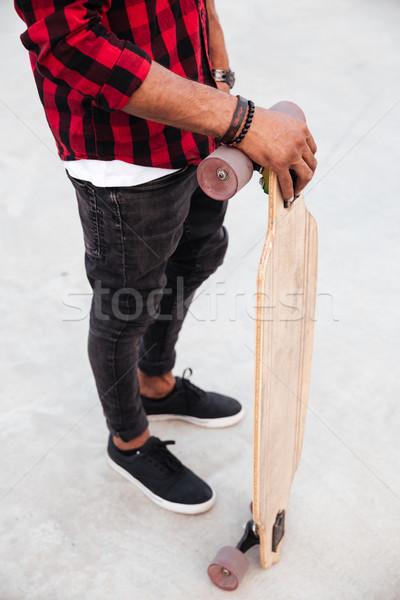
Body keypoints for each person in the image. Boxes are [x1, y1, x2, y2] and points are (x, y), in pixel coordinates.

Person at [15, 0, 317, 515]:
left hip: (199, 121)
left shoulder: (214, 110)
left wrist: (219, 86)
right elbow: (70, 41)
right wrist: (241, 120)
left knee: (200, 253)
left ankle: (155, 381)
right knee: (127, 299)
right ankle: (128, 441)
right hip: (122, 149)